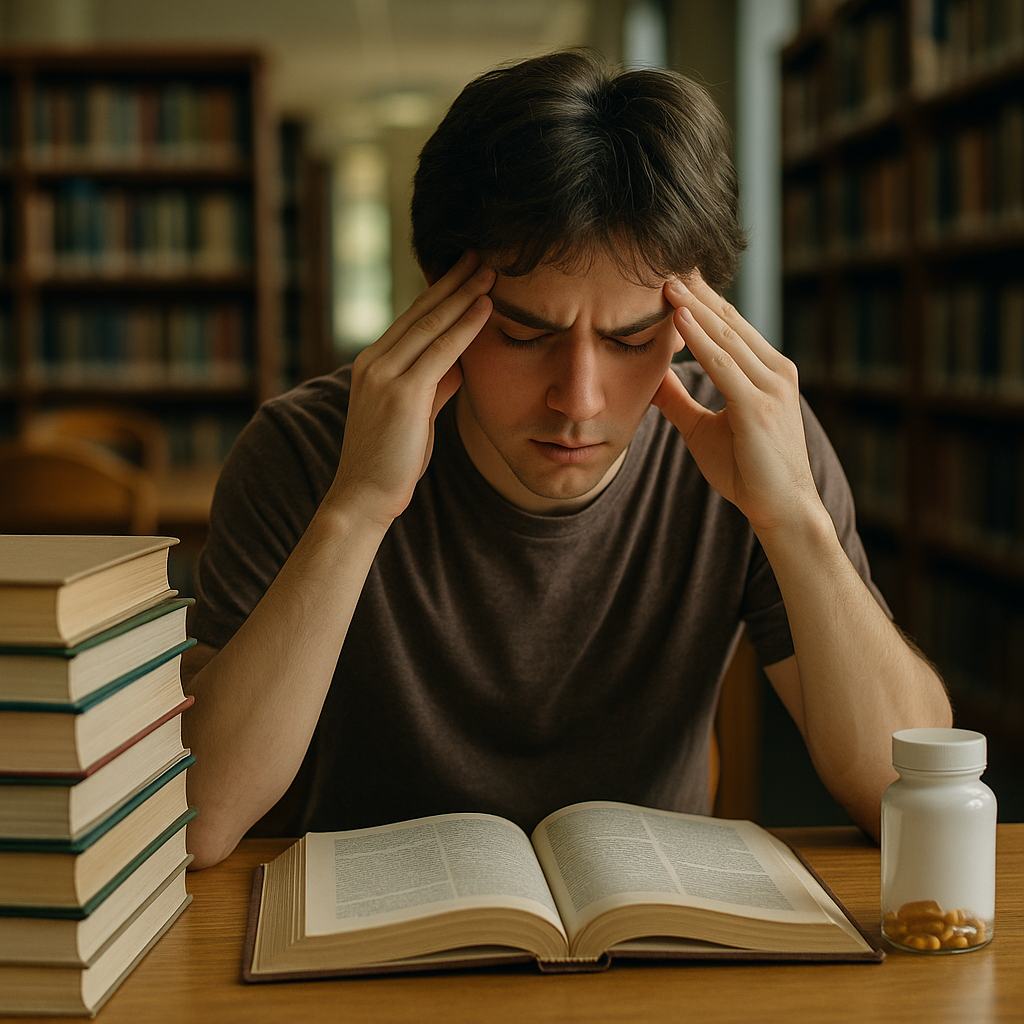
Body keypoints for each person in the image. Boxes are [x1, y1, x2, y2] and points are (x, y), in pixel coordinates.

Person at [182, 49, 951, 870]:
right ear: (437, 294)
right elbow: (199, 820)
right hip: (376, 927)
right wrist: (358, 505)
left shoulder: (755, 440)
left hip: (648, 926)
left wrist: (792, 517)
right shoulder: (302, 449)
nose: (579, 399)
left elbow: (912, 796)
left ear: (695, 320)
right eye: (524, 335)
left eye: (632, 339)